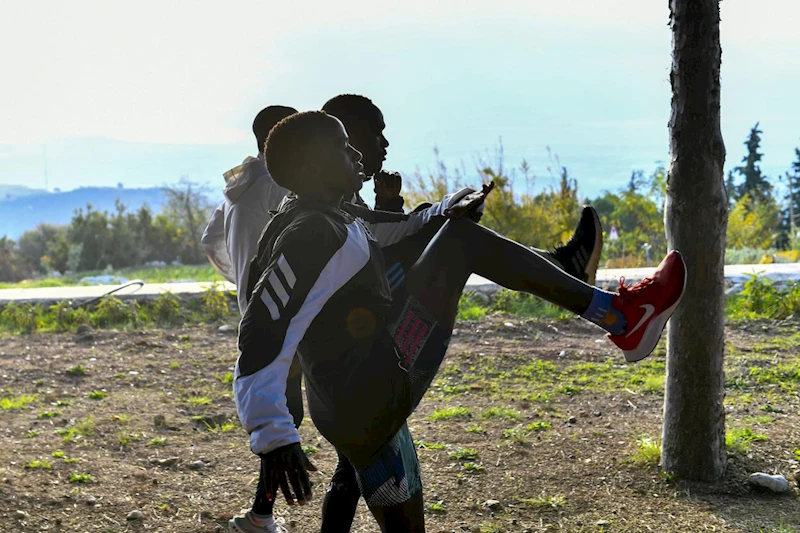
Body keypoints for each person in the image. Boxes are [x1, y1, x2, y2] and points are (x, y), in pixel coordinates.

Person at [234, 111, 687, 532]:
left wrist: (446, 207)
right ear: (313, 167)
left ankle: (613, 310)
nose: (354, 153)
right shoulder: (307, 234)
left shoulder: (328, 213)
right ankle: (620, 316)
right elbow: (260, 331)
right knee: (460, 244)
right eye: (341, 146)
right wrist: (273, 433)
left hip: (354, 405)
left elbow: (393, 227)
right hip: (372, 389)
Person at [200, 105, 302, 533]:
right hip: (286, 311)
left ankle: (261, 514)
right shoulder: (279, 188)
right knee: (289, 411)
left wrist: (242, 280)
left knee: (287, 409)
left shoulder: (239, 188)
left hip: (257, 308)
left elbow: (211, 239)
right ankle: (260, 515)